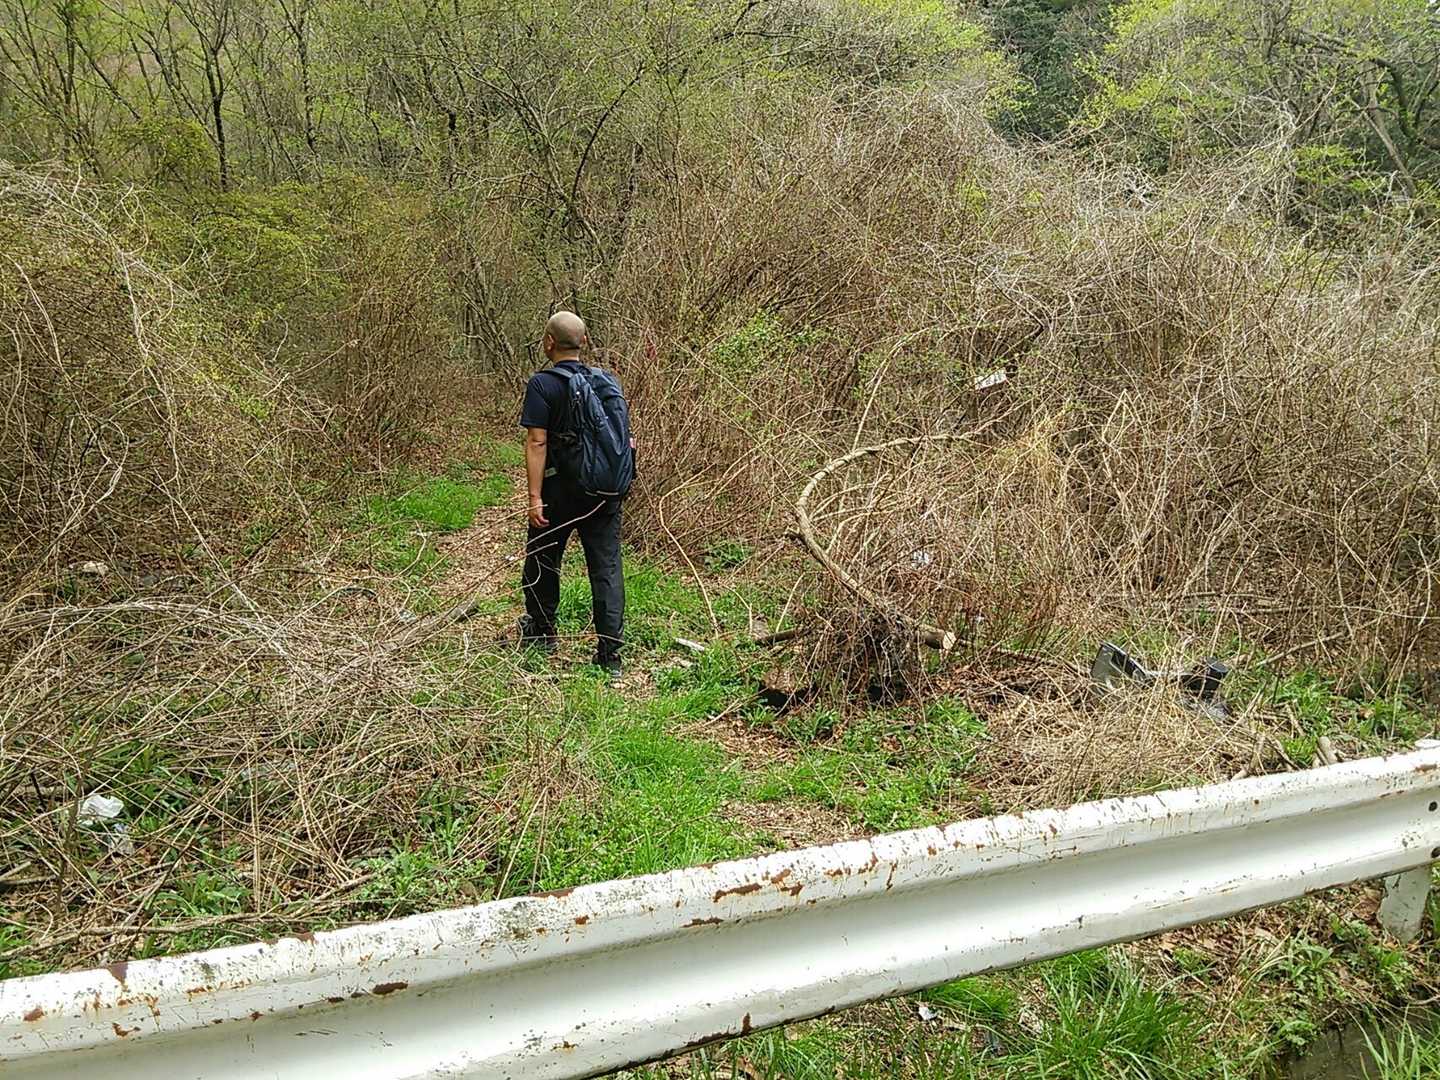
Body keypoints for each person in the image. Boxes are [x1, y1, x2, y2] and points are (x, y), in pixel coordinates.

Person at [518, 311, 626, 676]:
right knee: (606, 568)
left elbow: (537, 441)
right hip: (604, 492)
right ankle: (610, 656)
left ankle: (541, 633)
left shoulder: (542, 384)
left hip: (559, 492)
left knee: (543, 559)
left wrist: (534, 497)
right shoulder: (606, 381)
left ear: (549, 342)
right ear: (584, 341)